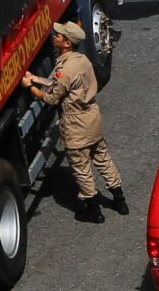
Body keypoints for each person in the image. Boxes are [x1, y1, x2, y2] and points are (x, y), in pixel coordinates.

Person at [23, 21, 124, 222]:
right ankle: (120, 200)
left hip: (75, 125)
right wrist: (37, 79)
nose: (55, 37)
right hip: (92, 119)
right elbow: (65, 84)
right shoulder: (82, 60)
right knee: (103, 159)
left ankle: (93, 211)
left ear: (67, 43)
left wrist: (30, 87)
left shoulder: (65, 69)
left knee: (81, 168)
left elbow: (53, 97)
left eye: (59, 35)